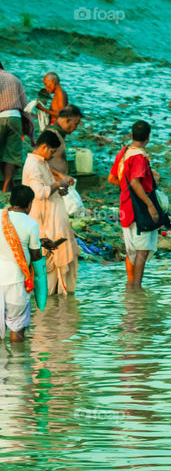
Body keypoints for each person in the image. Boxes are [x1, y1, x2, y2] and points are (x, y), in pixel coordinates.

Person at [108, 121, 168, 288]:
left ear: (132, 135)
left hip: (126, 207)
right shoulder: (139, 157)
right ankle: (137, 288)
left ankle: (130, 285)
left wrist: (128, 191)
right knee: (142, 251)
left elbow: (112, 178)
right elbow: (135, 182)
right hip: (139, 210)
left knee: (131, 251)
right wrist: (149, 205)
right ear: (148, 137)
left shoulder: (124, 152)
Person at [22, 130, 79, 295]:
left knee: (56, 255)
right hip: (44, 219)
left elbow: (48, 187)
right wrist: (58, 183)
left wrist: (59, 189)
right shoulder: (33, 165)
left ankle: (57, 298)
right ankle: (51, 297)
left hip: (52, 216)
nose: (52, 155)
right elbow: (39, 193)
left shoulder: (41, 162)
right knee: (52, 256)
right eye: (52, 151)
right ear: (44, 147)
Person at [0, 185, 42, 341]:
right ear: (29, 204)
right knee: (17, 328)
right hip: (16, 282)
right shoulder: (31, 224)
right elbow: (35, 255)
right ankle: (18, 362)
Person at [0, 62, 28, 193]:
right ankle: (6, 186)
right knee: (11, 154)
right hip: (15, 118)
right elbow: (25, 105)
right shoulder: (15, 79)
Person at [45, 104, 83, 176]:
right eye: (76, 124)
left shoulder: (60, 134)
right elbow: (39, 163)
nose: (76, 128)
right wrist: (60, 176)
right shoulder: (52, 134)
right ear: (67, 120)